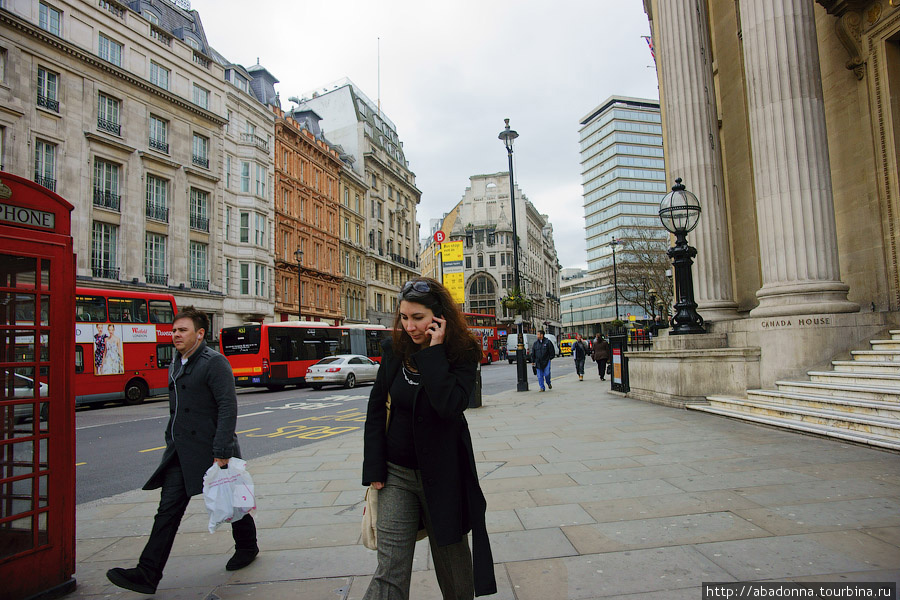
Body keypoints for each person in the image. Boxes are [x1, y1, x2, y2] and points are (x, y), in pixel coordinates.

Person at [106, 308, 258, 595]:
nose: (176, 334)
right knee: (167, 511)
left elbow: (228, 406)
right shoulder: (176, 361)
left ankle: (248, 547)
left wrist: (223, 449)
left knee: (233, 505)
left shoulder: (215, 363)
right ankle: (147, 572)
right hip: (180, 451)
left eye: (183, 330)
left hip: (213, 449)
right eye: (174, 330)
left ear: (200, 334)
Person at [362, 277, 496, 599]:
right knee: (390, 569)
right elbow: (377, 407)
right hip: (396, 475)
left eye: (418, 318)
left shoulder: (462, 353)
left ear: (439, 317)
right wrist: (375, 469)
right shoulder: (395, 350)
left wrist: (434, 354)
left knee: (454, 573)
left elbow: (450, 406)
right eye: (404, 317)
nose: (409, 326)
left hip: (444, 475)